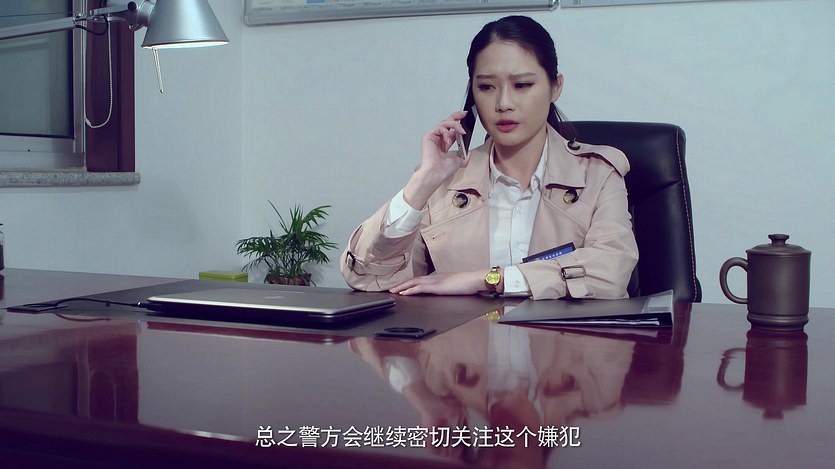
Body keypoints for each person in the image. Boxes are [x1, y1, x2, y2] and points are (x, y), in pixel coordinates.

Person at [340, 15, 638, 300]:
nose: (503, 103)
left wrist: (489, 279)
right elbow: (369, 279)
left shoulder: (598, 174)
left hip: (564, 337)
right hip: (465, 337)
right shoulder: (446, 181)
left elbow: (610, 272)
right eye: (486, 87)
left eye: (522, 85)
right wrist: (422, 182)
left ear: (555, 86)